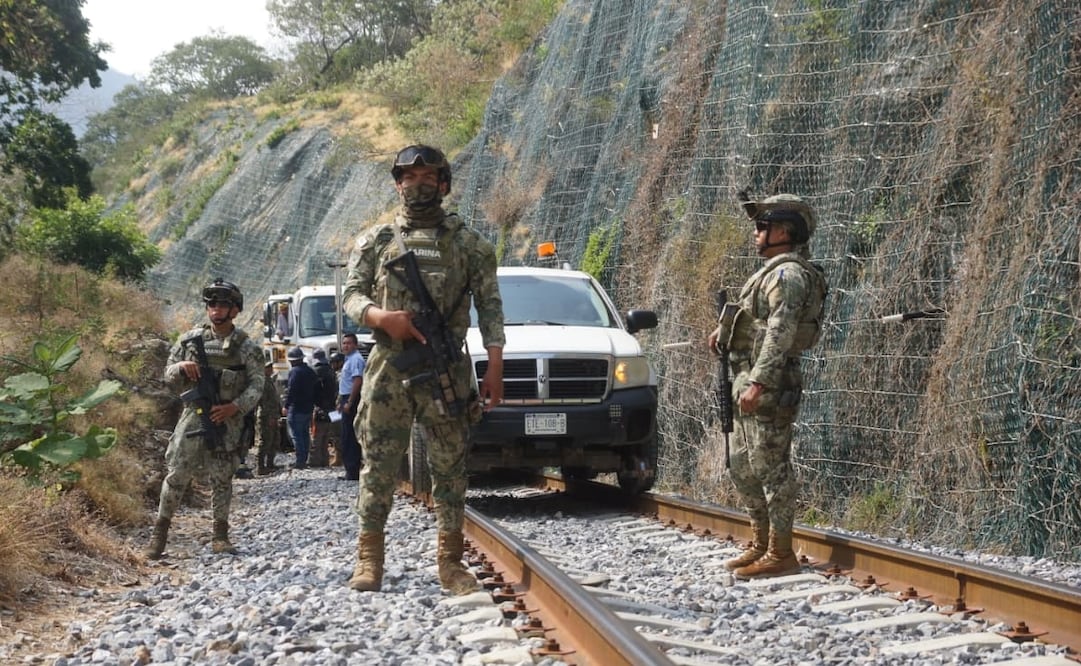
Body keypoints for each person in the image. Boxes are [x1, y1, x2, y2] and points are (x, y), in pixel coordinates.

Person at [342, 144, 505, 595]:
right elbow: (351, 296)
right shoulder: (375, 241)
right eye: (409, 177)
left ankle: (451, 563)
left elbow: (491, 308)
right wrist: (380, 318)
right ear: (398, 184)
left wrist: (494, 368)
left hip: (446, 370)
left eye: (428, 177)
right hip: (388, 368)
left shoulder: (471, 245)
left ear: (444, 183)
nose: (418, 185)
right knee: (378, 464)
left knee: (450, 467)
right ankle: (369, 559)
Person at [706, 193, 827, 579]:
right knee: (743, 465)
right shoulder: (772, 273)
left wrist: (758, 381)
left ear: (784, 231)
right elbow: (756, 322)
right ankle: (759, 542)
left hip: (769, 382)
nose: (756, 233)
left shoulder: (788, 276)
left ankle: (781, 550)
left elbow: (779, 332)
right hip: (746, 376)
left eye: (763, 226)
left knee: (772, 467)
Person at [146, 279, 264, 559]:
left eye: (224, 304)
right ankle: (159, 535)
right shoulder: (189, 340)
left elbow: (257, 385)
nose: (217, 309)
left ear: (235, 310)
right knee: (177, 473)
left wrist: (234, 407)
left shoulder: (246, 347)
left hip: (226, 418)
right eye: (212, 303)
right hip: (194, 415)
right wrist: (181, 367)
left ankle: (220, 535)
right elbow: (167, 375)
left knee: (222, 477)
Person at [336, 333, 365, 480]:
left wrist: (350, 402)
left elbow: (357, 381)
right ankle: (349, 469)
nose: (345, 346)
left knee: (350, 435)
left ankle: (352, 471)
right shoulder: (349, 359)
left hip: (352, 398)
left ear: (355, 345)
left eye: (348, 343)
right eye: (344, 343)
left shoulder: (356, 360)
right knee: (346, 434)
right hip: (345, 397)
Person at [283, 346, 318, 469]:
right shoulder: (310, 371)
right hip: (308, 408)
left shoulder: (295, 372)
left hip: (296, 409)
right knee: (304, 434)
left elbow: (291, 391)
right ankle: (305, 459)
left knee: (296, 435)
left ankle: (300, 461)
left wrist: (286, 406)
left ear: (292, 360)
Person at [310, 349, 338, 468]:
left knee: (317, 437)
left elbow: (312, 392)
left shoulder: (315, 372)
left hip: (320, 409)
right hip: (333, 409)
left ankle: (316, 462)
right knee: (327, 436)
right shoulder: (332, 371)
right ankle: (326, 461)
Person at [255, 360, 283, 475]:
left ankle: (270, 464)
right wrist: (271, 417)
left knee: (275, 439)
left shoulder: (269, 380)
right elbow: (264, 402)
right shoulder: (262, 382)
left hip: (273, 415)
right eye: (268, 367)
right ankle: (260, 467)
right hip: (266, 416)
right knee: (265, 441)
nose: (271, 369)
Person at [328, 351, 346, 467]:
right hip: (341, 407)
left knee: (337, 433)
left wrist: (337, 404)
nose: (332, 365)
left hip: (339, 408)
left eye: (334, 363)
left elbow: (340, 392)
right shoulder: (341, 373)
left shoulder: (341, 375)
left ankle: (339, 458)